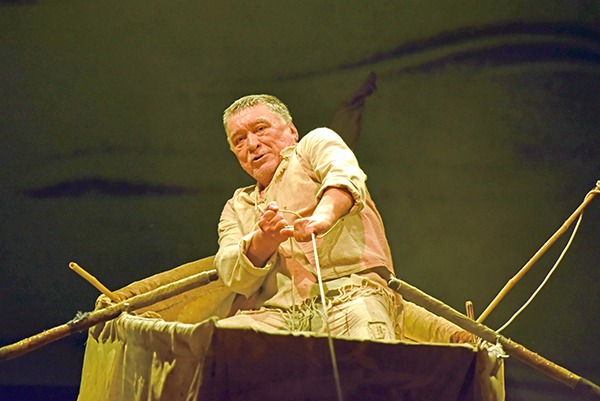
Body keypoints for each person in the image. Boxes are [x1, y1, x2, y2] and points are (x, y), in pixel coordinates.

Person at [214, 94, 402, 341]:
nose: (252, 144)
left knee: (365, 349)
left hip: (350, 295)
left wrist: (322, 217)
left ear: (292, 131)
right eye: (239, 140)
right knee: (218, 342)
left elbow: (344, 175)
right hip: (275, 313)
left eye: (260, 129)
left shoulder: (313, 145)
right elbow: (230, 274)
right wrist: (264, 240)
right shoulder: (237, 205)